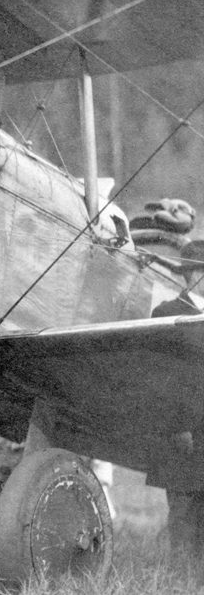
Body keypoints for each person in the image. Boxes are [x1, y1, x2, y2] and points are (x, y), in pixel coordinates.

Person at [148, 238, 204, 557]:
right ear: (193, 275)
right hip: (182, 434)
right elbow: (161, 378)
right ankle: (179, 583)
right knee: (183, 512)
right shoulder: (166, 313)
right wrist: (177, 426)